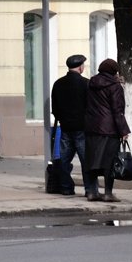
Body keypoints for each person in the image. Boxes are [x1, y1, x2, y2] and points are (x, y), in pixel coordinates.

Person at [84, 58, 131, 203]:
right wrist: (123, 130)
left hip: (92, 127)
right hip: (109, 129)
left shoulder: (90, 83)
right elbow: (117, 110)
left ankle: (92, 192)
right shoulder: (115, 86)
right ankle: (108, 193)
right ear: (113, 71)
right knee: (109, 162)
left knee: (92, 160)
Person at [51, 54, 96, 198]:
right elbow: (92, 107)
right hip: (82, 128)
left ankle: (66, 188)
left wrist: (63, 120)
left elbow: (55, 108)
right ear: (81, 67)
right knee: (86, 161)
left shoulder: (58, 84)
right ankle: (90, 190)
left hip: (65, 128)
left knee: (64, 160)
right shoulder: (86, 83)